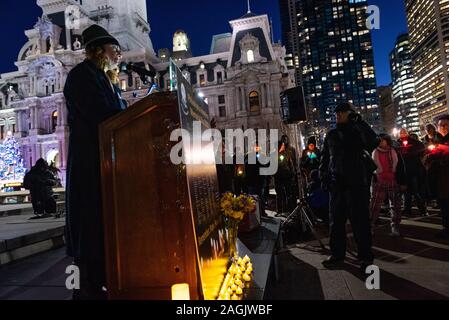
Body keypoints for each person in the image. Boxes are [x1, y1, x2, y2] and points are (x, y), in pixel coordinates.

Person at [63, 24, 123, 300]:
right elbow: (102, 114)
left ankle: (101, 281)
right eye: (114, 49)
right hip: (89, 162)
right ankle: (86, 288)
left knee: (101, 225)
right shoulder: (81, 76)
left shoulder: (103, 78)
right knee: (89, 226)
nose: (118, 55)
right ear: (98, 50)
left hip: (103, 162)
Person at [319, 102, 379, 272]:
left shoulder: (358, 131)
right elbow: (324, 158)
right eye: (337, 112)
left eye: (343, 112)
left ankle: (365, 257)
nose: (338, 114)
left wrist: (360, 122)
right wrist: (324, 177)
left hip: (357, 184)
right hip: (337, 184)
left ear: (350, 114)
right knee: (336, 222)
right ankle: (337, 254)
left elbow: (373, 141)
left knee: (360, 222)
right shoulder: (331, 134)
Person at [370, 134, 406, 237]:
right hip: (379, 181)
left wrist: (403, 182)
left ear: (387, 141)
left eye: (382, 140)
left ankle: (395, 226)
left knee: (395, 205)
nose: (380, 142)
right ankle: (370, 225)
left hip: (393, 180)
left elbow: (400, 167)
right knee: (375, 205)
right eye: (379, 141)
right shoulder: (374, 152)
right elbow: (372, 168)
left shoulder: (394, 151)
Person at [424, 114, 449, 239]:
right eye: (441, 125)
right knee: (444, 204)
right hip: (440, 179)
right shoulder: (436, 140)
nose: (444, 127)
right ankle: (446, 228)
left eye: (446, 125)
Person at [397, 128, 428, 217]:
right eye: (401, 132)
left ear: (407, 133)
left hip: (413, 170)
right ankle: (407, 210)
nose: (402, 133)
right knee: (406, 192)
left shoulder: (413, 141)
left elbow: (421, 147)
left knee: (415, 191)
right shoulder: (398, 142)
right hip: (404, 170)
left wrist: (410, 150)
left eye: (404, 132)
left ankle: (423, 209)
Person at [274, 135, 298, 214]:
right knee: (279, 194)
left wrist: (293, 172)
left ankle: (289, 209)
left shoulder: (289, 152)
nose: (284, 144)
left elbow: (292, 163)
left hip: (287, 175)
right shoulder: (275, 153)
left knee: (289, 193)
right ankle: (280, 209)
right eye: (282, 144)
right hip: (278, 176)